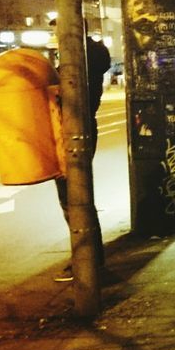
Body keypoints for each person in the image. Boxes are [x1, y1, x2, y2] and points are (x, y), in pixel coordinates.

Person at [54, 35, 112, 282]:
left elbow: (63, 94)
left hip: (74, 129)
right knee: (78, 195)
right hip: (84, 126)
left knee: (73, 197)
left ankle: (87, 261)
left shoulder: (79, 62)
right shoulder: (95, 58)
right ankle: (89, 258)